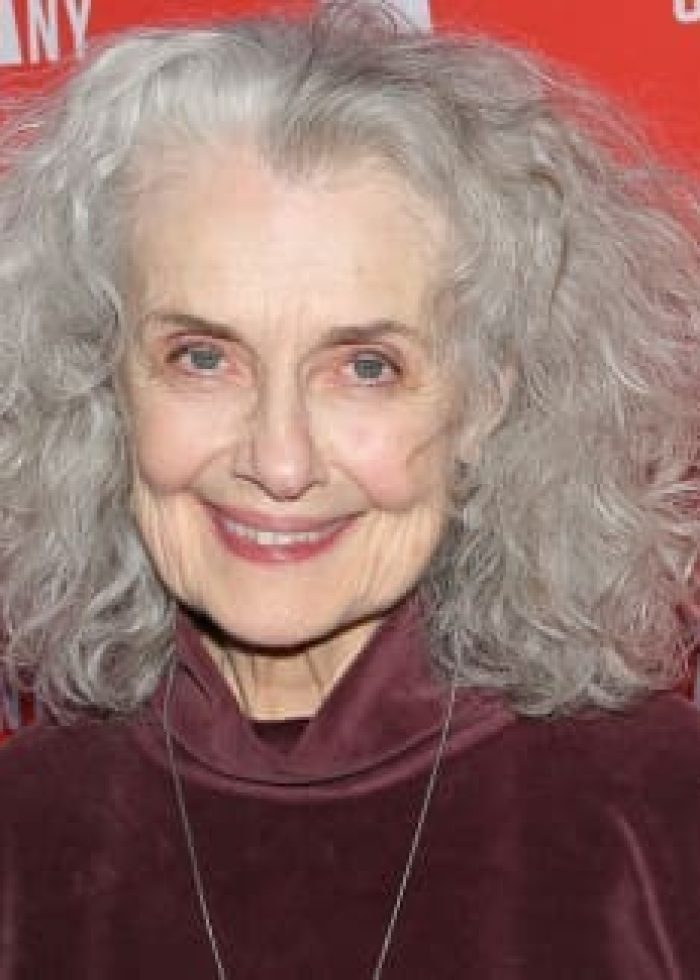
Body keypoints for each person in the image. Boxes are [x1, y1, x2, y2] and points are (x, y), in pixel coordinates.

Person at [1, 4, 700, 977]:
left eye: (365, 366)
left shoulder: (664, 825)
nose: (279, 461)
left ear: (485, 402)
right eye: (202, 356)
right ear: (103, 379)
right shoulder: (21, 845)